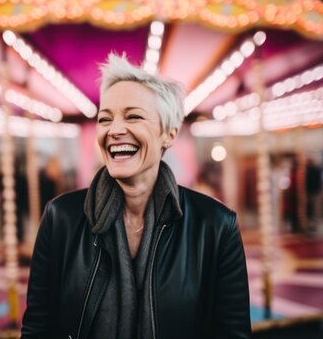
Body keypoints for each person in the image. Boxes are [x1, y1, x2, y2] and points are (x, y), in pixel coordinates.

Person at [21, 54, 251, 339]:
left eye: (133, 116)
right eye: (105, 119)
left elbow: (232, 332)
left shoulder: (216, 226)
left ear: (168, 133)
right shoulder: (61, 218)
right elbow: (38, 328)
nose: (115, 130)